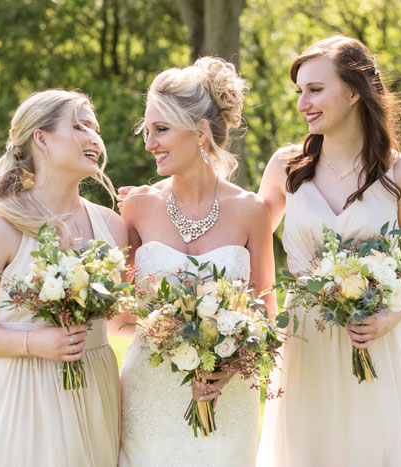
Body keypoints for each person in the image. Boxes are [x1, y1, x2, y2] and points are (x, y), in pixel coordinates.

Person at [256, 35, 401, 466]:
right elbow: (247, 242)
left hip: (373, 338)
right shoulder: (287, 165)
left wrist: (388, 317)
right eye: (299, 91)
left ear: (355, 91)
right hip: (305, 339)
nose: (303, 103)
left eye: (315, 89)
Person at [0, 89, 127, 467]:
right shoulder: (2, 228)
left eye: (95, 129)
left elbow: (122, 319)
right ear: (40, 138)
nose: (94, 138)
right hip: (26, 391)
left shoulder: (111, 225)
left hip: (96, 387)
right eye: (79, 127)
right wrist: (34, 343)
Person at [113, 57, 275, 467]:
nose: (149, 144)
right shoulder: (137, 206)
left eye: (161, 130)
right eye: (147, 131)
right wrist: (169, 327)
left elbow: (267, 315)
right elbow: (116, 317)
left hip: (228, 394)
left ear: (201, 131)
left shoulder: (251, 211)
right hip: (151, 391)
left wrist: (233, 365)